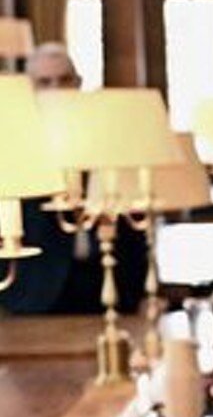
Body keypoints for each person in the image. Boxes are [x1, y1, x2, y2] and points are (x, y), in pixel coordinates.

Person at [1, 43, 147, 316]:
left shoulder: (105, 136)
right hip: (36, 293)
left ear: (78, 83)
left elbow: (133, 216)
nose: (56, 90)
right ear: (29, 88)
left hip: (110, 286)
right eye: (45, 82)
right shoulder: (13, 144)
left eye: (64, 80)